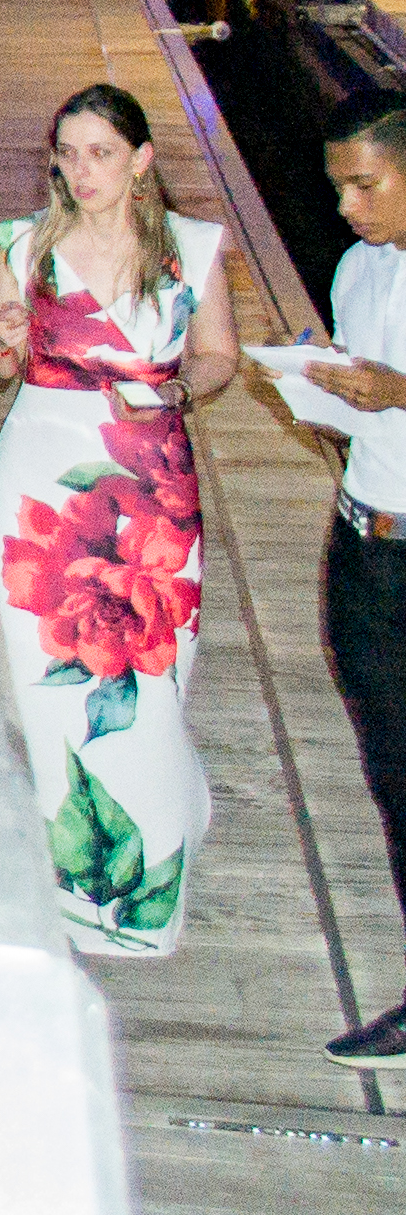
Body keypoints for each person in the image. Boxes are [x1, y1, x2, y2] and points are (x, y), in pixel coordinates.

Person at [0, 81, 239, 953]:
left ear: (141, 160)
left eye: (102, 154)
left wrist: (176, 394)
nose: (82, 171)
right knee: (42, 676)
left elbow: (219, 356)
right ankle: (62, 892)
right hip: (43, 470)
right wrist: (4, 334)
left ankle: (143, 892)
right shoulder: (22, 242)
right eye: (70, 153)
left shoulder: (192, 249)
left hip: (150, 474)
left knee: (150, 677)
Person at [277, 103, 406, 1063]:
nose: (348, 205)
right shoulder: (358, 270)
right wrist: (321, 395)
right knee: (392, 773)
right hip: (365, 540)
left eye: (367, 183)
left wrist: (398, 390)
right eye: (336, 188)